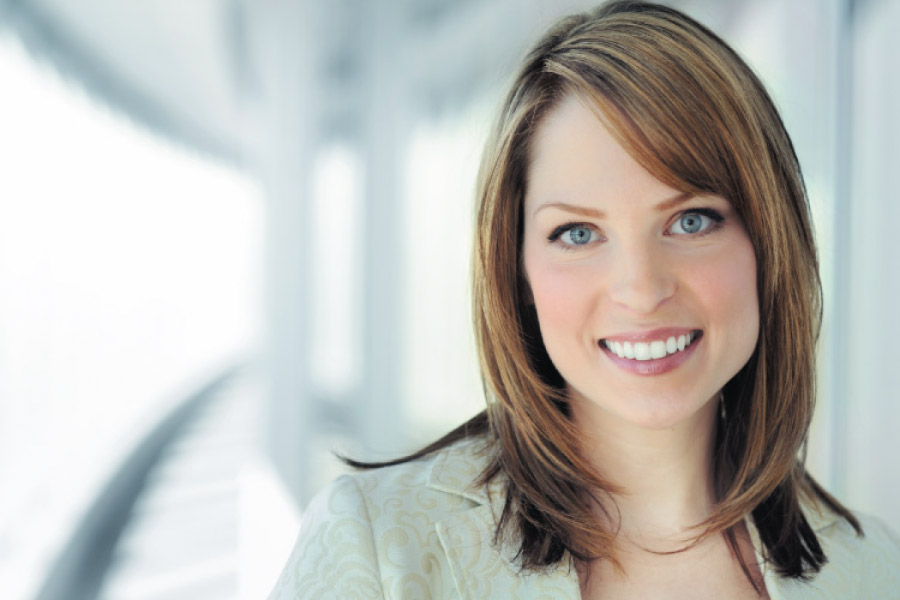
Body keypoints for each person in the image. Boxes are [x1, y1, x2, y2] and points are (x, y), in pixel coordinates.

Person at [268, 1, 900, 598]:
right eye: (577, 233)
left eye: (692, 220)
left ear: (770, 240)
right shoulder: (375, 551)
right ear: (516, 271)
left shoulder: (876, 568)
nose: (643, 291)